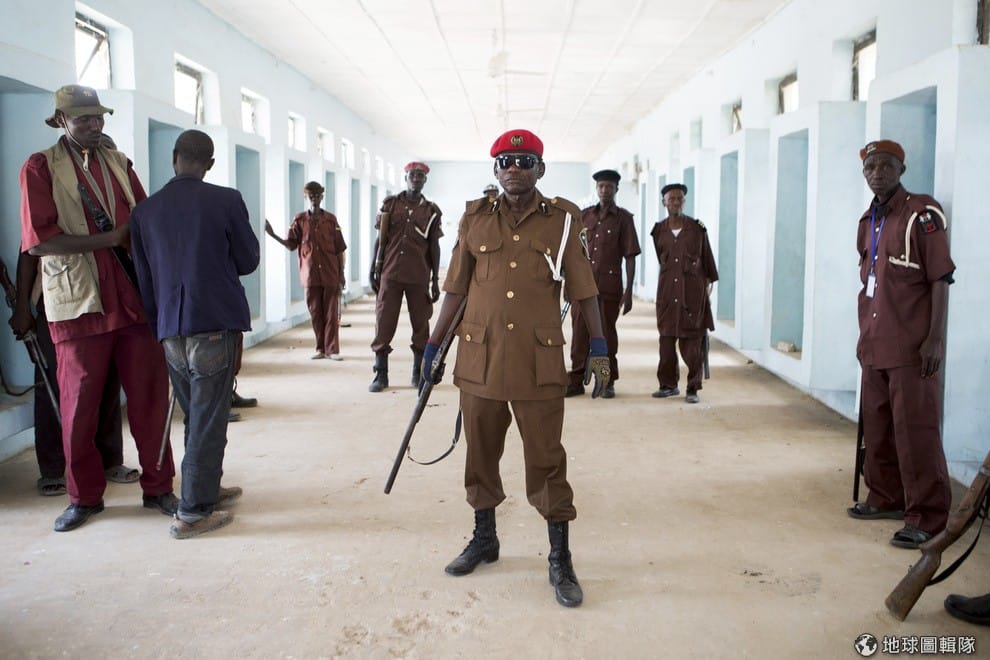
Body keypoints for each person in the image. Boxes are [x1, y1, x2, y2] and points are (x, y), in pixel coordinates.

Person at [424, 129, 610, 608]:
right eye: (505, 161)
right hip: (480, 360)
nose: (514, 169)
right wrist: (432, 345)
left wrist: (600, 346)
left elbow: (584, 289)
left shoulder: (563, 221)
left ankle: (560, 557)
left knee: (546, 460)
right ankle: (485, 538)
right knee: (480, 454)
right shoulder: (473, 218)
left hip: (536, 361)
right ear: (495, 169)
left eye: (524, 161)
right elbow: (456, 290)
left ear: (540, 169)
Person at [19, 84, 176, 531]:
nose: (93, 124)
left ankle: (159, 487)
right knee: (78, 409)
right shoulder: (39, 167)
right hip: (78, 304)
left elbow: (145, 221)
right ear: (60, 120)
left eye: (98, 117)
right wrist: (110, 239)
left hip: (133, 300)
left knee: (149, 400)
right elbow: (39, 242)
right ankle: (84, 497)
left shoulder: (119, 163)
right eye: (82, 118)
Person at [130, 129, 259, 539]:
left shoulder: (145, 212)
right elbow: (248, 260)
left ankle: (205, 490)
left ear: (174, 157)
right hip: (213, 324)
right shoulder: (226, 200)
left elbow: (144, 280)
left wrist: (161, 328)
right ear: (211, 163)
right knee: (209, 419)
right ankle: (192, 512)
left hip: (171, 329)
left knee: (197, 417)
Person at [845, 139, 953, 550]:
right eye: (871, 167)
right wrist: (863, 338)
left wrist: (935, 338)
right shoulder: (868, 220)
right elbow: (870, 284)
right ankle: (886, 496)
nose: (878, 174)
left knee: (915, 430)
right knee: (878, 425)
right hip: (875, 341)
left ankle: (928, 516)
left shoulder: (921, 214)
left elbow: (939, 278)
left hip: (911, 345)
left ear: (901, 170)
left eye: (886, 166)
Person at [8, 251, 137, 496]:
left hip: (103, 293)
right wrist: (22, 306)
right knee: (53, 383)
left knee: (107, 379)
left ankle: (110, 459)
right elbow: (28, 252)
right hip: (57, 297)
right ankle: (52, 469)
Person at [566, 169, 640, 399]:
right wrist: (568, 284)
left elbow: (630, 256)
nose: (604, 190)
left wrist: (629, 292)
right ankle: (576, 380)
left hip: (608, 288)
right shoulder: (585, 216)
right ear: (596, 189)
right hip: (582, 287)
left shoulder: (624, 219)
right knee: (579, 333)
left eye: (609, 186)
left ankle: (605, 381)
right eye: (601, 186)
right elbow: (573, 252)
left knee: (605, 335)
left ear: (616, 189)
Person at [368, 162, 443, 391]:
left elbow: (434, 246)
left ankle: (418, 374)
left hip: (418, 275)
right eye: (412, 175)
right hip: (390, 273)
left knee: (421, 324)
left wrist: (435, 280)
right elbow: (380, 239)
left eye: (420, 175)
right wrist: (373, 267)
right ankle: (380, 375)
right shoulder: (390, 205)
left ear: (425, 180)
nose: (416, 178)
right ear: (406, 178)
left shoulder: (431, 211)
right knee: (384, 321)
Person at [650, 183, 717, 404]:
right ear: (664, 202)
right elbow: (662, 259)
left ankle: (692, 388)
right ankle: (668, 385)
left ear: (684, 202)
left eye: (679, 198)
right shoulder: (658, 231)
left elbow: (707, 261)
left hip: (692, 295)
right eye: (671, 199)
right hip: (667, 295)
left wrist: (705, 292)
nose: (676, 202)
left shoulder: (697, 229)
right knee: (666, 342)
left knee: (692, 345)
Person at [265, 181, 347, 360]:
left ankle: (332, 350)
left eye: (317, 196)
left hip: (331, 273)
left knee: (331, 313)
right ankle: (321, 348)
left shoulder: (331, 220)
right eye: (311, 196)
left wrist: (342, 274)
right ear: (306, 197)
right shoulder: (300, 220)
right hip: (310, 275)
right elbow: (291, 245)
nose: (314, 199)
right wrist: (273, 235)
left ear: (322, 197)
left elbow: (339, 249)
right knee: (316, 313)